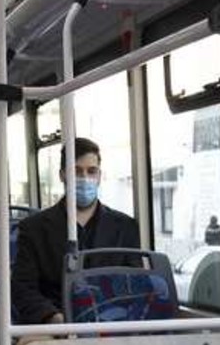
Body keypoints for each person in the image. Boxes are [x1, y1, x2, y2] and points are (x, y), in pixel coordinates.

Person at [12, 138, 140, 324]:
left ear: (99, 176)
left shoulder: (125, 227)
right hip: (56, 322)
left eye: (91, 171)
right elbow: (23, 287)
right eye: (76, 172)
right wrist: (53, 318)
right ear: (62, 175)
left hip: (112, 322)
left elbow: (136, 284)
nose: (85, 178)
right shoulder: (34, 228)